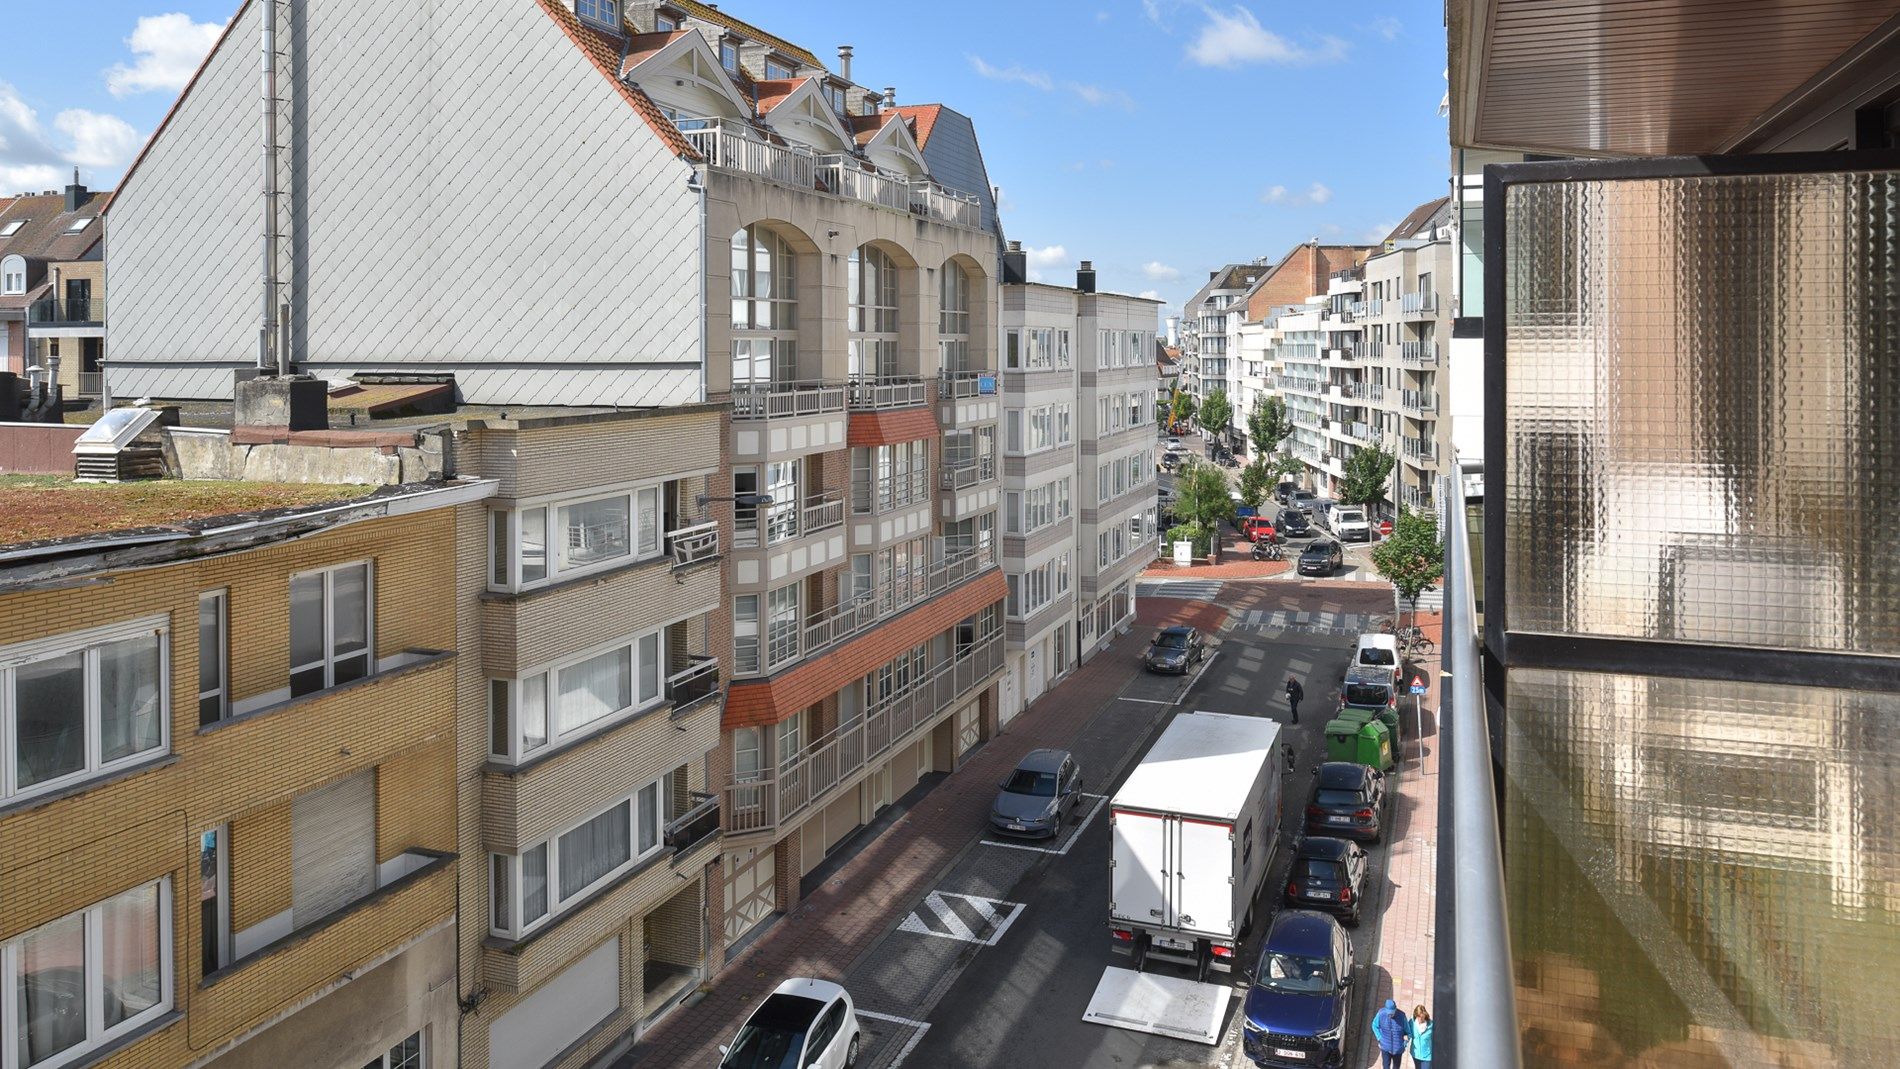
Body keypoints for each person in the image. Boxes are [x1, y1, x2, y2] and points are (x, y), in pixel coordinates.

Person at [1371, 999, 1410, 1069]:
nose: (1390, 1015)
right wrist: (1379, 1038)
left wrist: (1405, 1042)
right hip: (1385, 1048)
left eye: (1392, 1013)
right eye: (1389, 1013)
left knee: (1396, 1067)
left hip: (1398, 1049)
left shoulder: (1402, 1016)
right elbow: (1374, 1025)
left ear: (1395, 1009)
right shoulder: (1380, 1014)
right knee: (1386, 1066)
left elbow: (1408, 1031)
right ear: (1385, 1009)